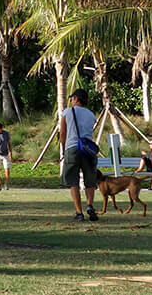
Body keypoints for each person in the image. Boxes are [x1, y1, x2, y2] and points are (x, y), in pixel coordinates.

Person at [58, 87, 99, 222]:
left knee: (73, 181)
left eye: (72, 98)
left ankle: (79, 212)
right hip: (88, 149)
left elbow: (63, 133)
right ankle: (90, 205)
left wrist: (63, 149)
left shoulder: (67, 112)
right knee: (90, 180)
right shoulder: (91, 114)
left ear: (75, 99)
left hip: (72, 147)